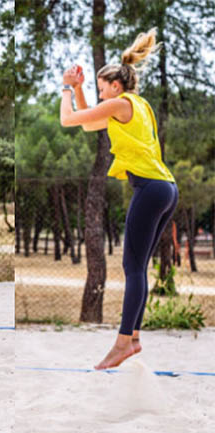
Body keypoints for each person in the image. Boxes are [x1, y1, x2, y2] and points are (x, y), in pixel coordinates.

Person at [58, 28, 176, 370]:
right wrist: (80, 90)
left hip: (151, 189)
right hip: (166, 188)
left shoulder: (120, 104)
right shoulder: (136, 105)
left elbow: (69, 119)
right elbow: (88, 123)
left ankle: (123, 343)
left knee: (132, 268)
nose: (99, 96)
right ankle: (134, 338)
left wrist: (66, 86)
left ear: (115, 86)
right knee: (137, 268)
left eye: (100, 89)